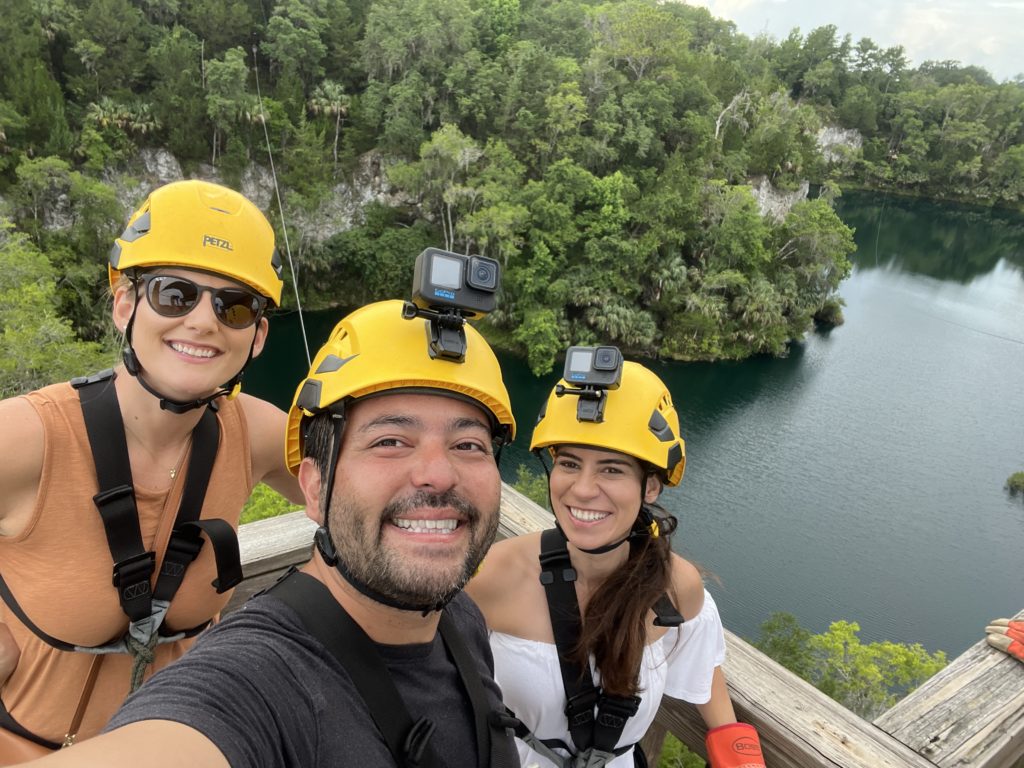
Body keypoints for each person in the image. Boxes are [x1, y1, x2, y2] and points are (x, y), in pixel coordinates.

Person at [16, 298, 521, 767]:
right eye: (390, 440)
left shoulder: (459, 618)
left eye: (469, 445)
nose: (438, 474)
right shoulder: (254, 682)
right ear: (314, 486)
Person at [0, 180, 303, 760]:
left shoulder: (255, 433)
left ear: (258, 336)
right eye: (173, 294)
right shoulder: (31, 438)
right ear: (124, 305)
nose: (203, 321)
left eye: (233, 306)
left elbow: (366, 493)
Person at [467, 352, 767, 768]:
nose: (583, 489)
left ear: (651, 488)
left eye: (611, 470)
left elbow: (703, 665)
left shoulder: (673, 586)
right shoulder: (493, 576)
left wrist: (737, 755)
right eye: (569, 463)